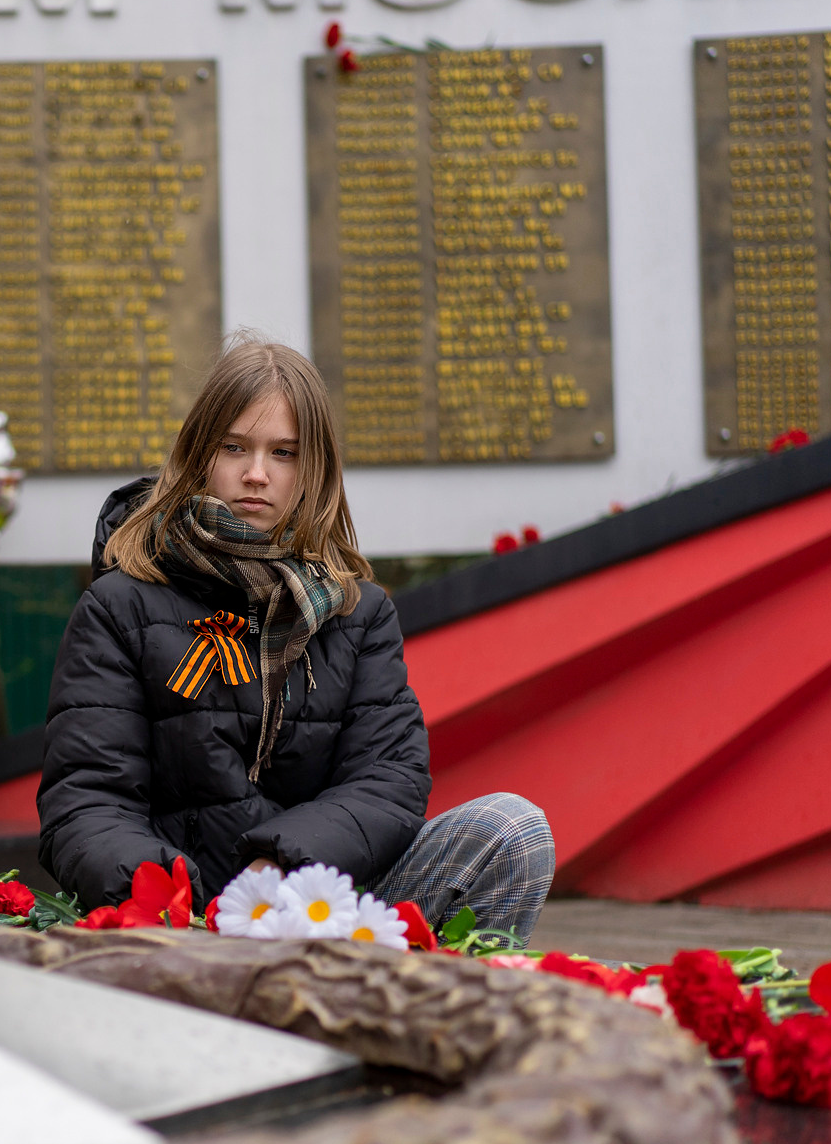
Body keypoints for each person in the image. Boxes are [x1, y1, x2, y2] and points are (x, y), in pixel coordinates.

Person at [37, 332, 554, 938]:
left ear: (313, 470)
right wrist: (171, 904)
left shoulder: (358, 614)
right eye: (236, 447)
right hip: (179, 923)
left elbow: (388, 780)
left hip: (321, 903)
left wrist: (283, 867)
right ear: (201, 453)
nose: (257, 474)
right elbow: (89, 800)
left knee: (512, 831)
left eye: (283, 453)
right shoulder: (121, 604)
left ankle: (421, 1022)